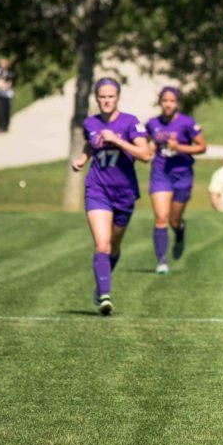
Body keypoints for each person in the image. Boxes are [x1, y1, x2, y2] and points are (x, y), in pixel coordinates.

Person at [71, 78, 151, 315]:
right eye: (102, 97)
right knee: (102, 244)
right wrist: (82, 160)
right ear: (96, 98)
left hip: (124, 193)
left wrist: (116, 139)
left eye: (110, 96)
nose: (106, 100)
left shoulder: (130, 122)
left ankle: (101, 283)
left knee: (114, 247)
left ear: (118, 97)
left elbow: (145, 155)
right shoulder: (90, 122)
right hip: (97, 189)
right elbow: (89, 144)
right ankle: (105, 295)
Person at [146, 86, 207, 274]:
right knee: (161, 218)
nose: (168, 104)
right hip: (160, 173)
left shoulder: (186, 123)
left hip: (182, 174)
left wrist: (179, 147)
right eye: (165, 100)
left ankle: (179, 230)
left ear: (177, 103)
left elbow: (202, 147)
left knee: (173, 220)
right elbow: (148, 143)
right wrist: (148, 151)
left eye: (172, 101)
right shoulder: (152, 123)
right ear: (160, 102)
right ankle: (162, 261)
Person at [0, 58, 14, 132]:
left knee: (7, 110)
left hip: (7, 94)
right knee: (0, 111)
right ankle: (1, 126)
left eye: (4, 64)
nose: (3, 65)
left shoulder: (9, 72)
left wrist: (7, 84)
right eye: (2, 64)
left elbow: (10, 81)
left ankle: (6, 126)